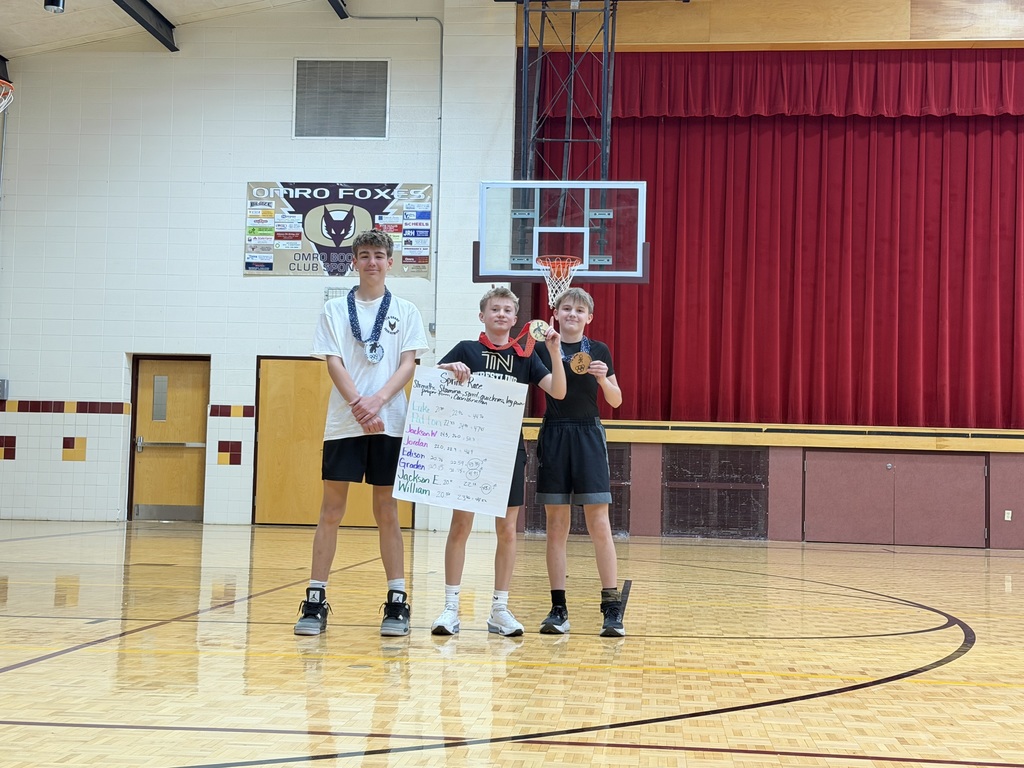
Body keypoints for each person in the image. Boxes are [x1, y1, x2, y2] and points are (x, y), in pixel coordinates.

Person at [294, 229, 429, 637]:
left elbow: (408, 364)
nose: (372, 261)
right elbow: (333, 361)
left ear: (391, 262)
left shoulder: (405, 310)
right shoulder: (334, 309)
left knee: (387, 511)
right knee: (331, 510)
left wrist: (378, 402)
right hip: (344, 423)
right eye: (365, 254)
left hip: (390, 422)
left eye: (379, 255)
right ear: (354, 261)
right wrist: (358, 403)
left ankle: (396, 601)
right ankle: (316, 599)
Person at [430, 287, 566, 637]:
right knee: (460, 526)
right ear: (483, 316)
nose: (501, 314)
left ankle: (499, 610)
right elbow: (432, 386)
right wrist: (448, 367)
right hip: (469, 449)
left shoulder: (525, 354)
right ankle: (450, 608)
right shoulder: (466, 349)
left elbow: (559, 391)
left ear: (515, 319)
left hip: (508, 451)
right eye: (495, 309)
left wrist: (553, 350)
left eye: (508, 310)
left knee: (506, 530)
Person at [534, 287, 625, 637]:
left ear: (589, 318)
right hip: (555, 434)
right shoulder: (541, 348)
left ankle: (611, 607)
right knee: (556, 525)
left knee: (598, 522)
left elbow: (615, 402)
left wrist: (603, 379)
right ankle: (558, 608)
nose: (572, 313)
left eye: (579, 310)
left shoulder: (598, 351)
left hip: (588, 434)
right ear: (555, 314)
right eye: (566, 308)